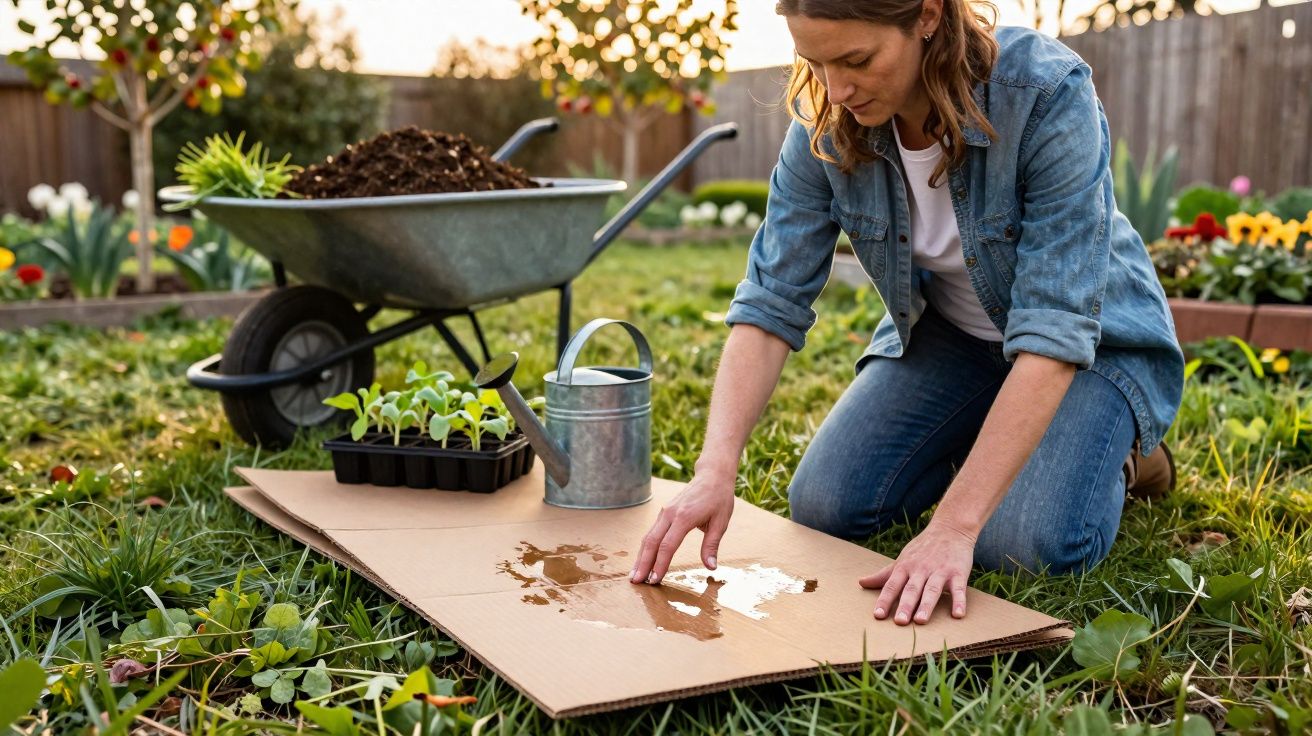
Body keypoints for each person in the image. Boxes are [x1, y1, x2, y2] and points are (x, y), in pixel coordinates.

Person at [628, 0, 1185, 627]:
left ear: (926, 16)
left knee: (1021, 546)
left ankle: (1131, 452)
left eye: (856, 60)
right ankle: (1005, 443)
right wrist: (714, 469)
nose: (835, 90)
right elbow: (769, 301)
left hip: (1094, 349)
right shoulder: (825, 124)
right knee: (826, 504)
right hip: (956, 341)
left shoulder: (1045, 94)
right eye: (814, 62)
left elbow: (1056, 332)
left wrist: (954, 525)